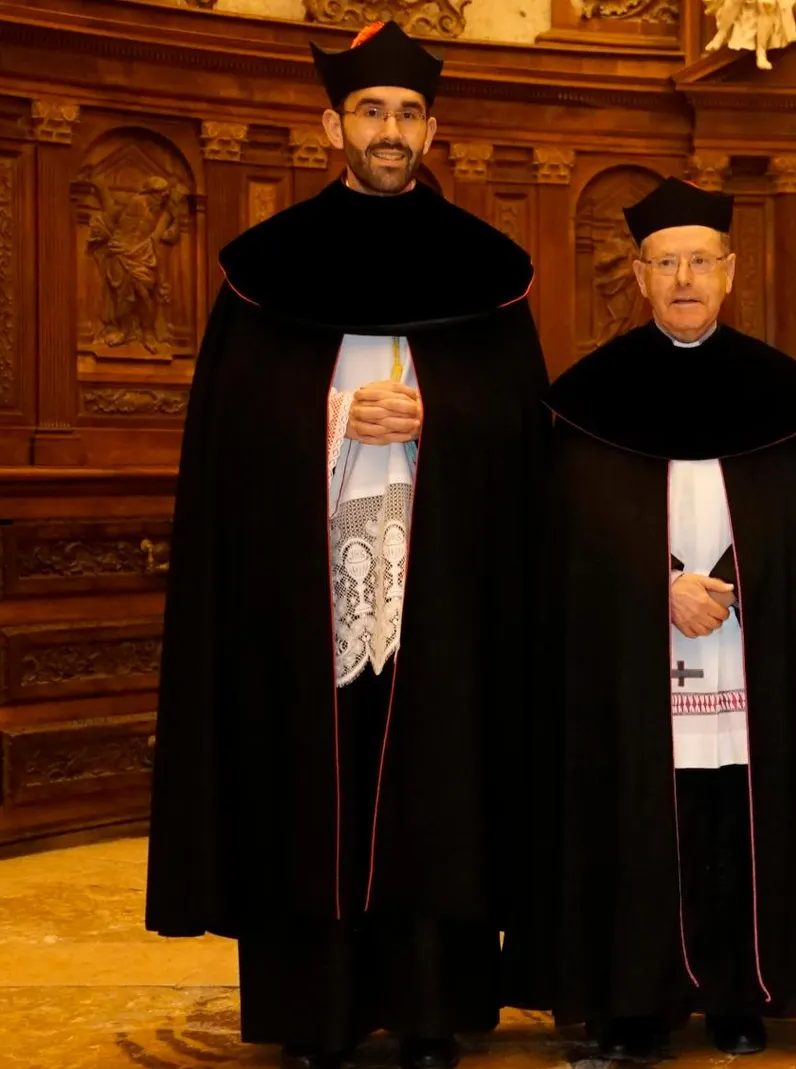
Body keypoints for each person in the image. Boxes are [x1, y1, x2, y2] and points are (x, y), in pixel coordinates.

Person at [144, 21, 549, 1069]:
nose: (391, 130)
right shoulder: (266, 272)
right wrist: (331, 419)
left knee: (438, 785)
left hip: (444, 588)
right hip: (301, 585)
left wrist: (438, 420)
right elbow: (231, 432)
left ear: (433, 128)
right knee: (304, 789)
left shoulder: (489, 274)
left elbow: (519, 427)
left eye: (409, 113)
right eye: (371, 111)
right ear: (332, 124)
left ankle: (428, 1014)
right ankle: (310, 1016)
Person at [502, 178, 796, 1061]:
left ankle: (737, 993)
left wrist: (736, 582)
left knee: (734, 811)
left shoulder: (781, 396)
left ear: (730, 273)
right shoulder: (589, 399)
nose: (683, 277)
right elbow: (565, 539)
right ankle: (634, 999)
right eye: (665, 262)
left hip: (744, 654)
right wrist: (659, 587)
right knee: (639, 817)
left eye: (700, 260)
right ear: (641, 276)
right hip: (628, 661)